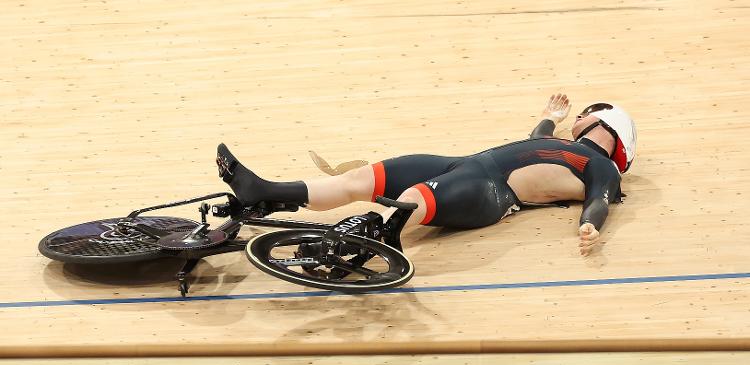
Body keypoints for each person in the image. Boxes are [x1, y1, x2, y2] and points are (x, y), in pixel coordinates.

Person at [216, 93, 636, 256]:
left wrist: (589, 227)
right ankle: (264, 192)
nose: (577, 118)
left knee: (417, 192)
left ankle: (364, 238)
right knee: (364, 178)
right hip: (460, 163)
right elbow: (537, 138)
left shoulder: (602, 167)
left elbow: (599, 199)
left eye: (584, 115)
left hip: (490, 190)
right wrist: (549, 117)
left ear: (606, 124)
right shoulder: (566, 146)